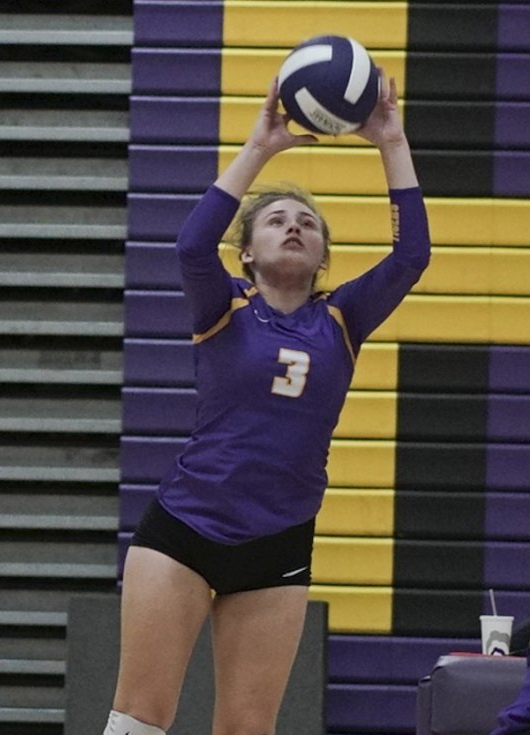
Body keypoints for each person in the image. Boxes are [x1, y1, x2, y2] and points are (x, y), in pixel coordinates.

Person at [103, 70, 431, 735]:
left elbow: (412, 253)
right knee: (141, 714)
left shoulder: (342, 318)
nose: (293, 227)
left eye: (307, 224)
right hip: (186, 528)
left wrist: (389, 139)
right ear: (247, 251)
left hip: (277, 540)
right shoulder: (223, 306)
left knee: (249, 726)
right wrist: (261, 146)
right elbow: (192, 243)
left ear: (321, 258)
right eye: (276, 220)